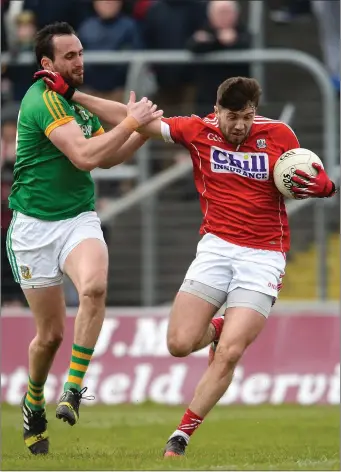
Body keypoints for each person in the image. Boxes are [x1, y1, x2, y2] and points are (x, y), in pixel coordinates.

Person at [38, 72, 336, 457]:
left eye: (246, 116)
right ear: (217, 112)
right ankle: (217, 328)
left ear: (254, 112)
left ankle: (181, 435)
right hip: (215, 250)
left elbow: (311, 174)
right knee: (179, 344)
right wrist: (74, 94)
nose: (240, 126)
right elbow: (134, 120)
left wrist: (326, 187)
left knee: (230, 352)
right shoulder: (197, 131)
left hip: (264, 256)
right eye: (232, 117)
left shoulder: (280, 136)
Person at [8, 21, 163, 456]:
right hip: (34, 229)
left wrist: (137, 131)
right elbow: (84, 156)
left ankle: (73, 388)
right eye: (70, 56)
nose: (79, 61)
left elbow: (107, 158)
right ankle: (33, 399)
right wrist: (133, 121)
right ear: (48, 63)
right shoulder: (41, 101)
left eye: (80, 53)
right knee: (50, 336)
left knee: (94, 287)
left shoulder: (75, 102)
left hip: (77, 218)